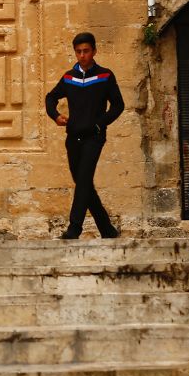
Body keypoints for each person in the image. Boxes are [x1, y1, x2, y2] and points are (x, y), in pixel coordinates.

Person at [45, 32, 124, 239]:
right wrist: (55, 116)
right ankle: (107, 230)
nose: (82, 55)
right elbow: (50, 97)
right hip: (73, 138)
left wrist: (100, 124)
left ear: (94, 51)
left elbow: (118, 105)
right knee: (84, 182)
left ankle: (75, 228)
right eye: (78, 52)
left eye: (86, 51)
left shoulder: (105, 76)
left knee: (83, 180)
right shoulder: (68, 77)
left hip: (94, 138)